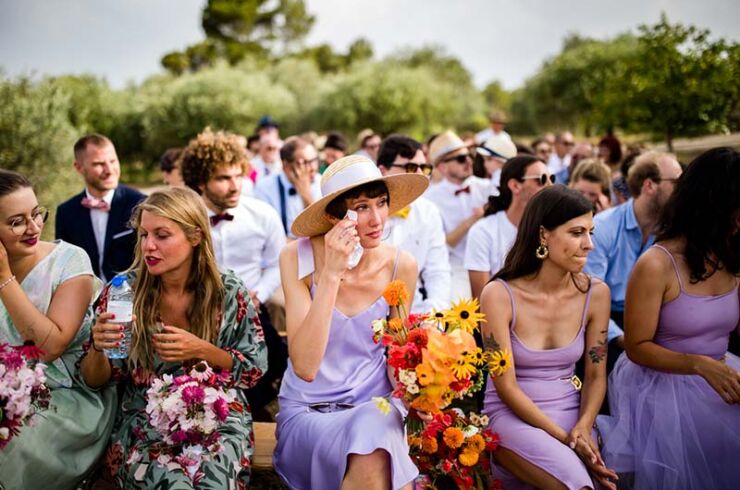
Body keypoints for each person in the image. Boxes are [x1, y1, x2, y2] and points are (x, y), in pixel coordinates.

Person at [79, 187, 268, 488]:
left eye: (162, 235)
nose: (148, 246)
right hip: (146, 418)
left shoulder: (228, 291)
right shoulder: (122, 293)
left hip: (216, 412)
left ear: (195, 237)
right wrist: (98, 348)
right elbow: (95, 379)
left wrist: (202, 350)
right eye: (143, 235)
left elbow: (254, 370)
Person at [273, 155, 428, 489]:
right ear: (333, 216)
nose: (376, 220)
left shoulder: (402, 264)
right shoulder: (295, 257)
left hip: (375, 407)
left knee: (375, 435)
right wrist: (330, 274)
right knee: (376, 450)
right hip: (309, 414)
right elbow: (306, 366)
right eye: (361, 207)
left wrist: (423, 391)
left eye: (382, 204)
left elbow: (395, 357)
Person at [598, 147, 740, 489]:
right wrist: (699, 365)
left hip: (722, 372)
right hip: (665, 389)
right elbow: (637, 346)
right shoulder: (657, 263)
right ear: (716, 204)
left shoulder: (732, 254)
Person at [480, 185, 617, 490]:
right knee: (579, 486)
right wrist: (567, 440)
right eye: (577, 232)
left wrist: (582, 427)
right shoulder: (499, 295)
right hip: (512, 415)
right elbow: (506, 386)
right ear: (544, 235)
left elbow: (595, 375)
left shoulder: (596, 294)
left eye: (590, 232)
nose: (589, 244)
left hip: (573, 413)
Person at [0, 169, 116, 489]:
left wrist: (4, 278)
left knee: (10, 446)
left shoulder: (69, 261)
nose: (34, 227)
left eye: (36, 214)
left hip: (69, 398)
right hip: (8, 392)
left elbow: (51, 347)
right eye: (17, 221)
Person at [179, 128, 287, 421]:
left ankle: (255, 407)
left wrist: (259, 295)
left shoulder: (262, 214)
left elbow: (278, 263)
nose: (235, 185)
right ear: (201, 181)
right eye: (223, 178)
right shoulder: (183, 220)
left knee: (276, 359)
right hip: (197, 315)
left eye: (239, 175)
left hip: (251, 312)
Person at [584, 151, 683, 371]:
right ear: (649, 185)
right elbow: (588, 297)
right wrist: (621, 338)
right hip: (605, 319)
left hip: (653, 321)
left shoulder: (674, 233)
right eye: (677, 182)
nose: (683, 189)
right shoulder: (603, 227)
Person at [56, 134, 146, 282]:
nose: (109, 170)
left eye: (113, 161)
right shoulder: (66, 212)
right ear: (79, 168)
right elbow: (64, 267)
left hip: (133, 296)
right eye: (99, 164)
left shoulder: (141, 204)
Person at [377, 134, 451, 313]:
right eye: (410, 167)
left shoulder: (428, 212)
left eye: (424, 168)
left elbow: (438, 271)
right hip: (367, 314)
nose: (419, 175)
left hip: (414, 311)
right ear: (382, 170)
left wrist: (434, 316)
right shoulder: (363, 211)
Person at [465, 155, 553, 299]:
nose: (550, 186)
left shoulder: (552, 229)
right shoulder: (483, 231)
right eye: (541, 179)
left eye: (552, 179)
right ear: (515, 185)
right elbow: (481, 300)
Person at [425, 130, 489, 300]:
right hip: (456, 266)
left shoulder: (488, 188)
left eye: (470, 155)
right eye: (461, 158)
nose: (468, 161)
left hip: (492, 262)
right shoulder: (430, 199)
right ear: (442, 167)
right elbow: (444, 244)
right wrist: (473, 220)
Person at [254, 136, 322, 238]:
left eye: (315, 160)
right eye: (305, 163)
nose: (314, 168)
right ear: (286, 165)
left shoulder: (321, 182)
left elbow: (322, 229)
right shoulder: (264, 188)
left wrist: (306, 197)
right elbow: (265, 233)